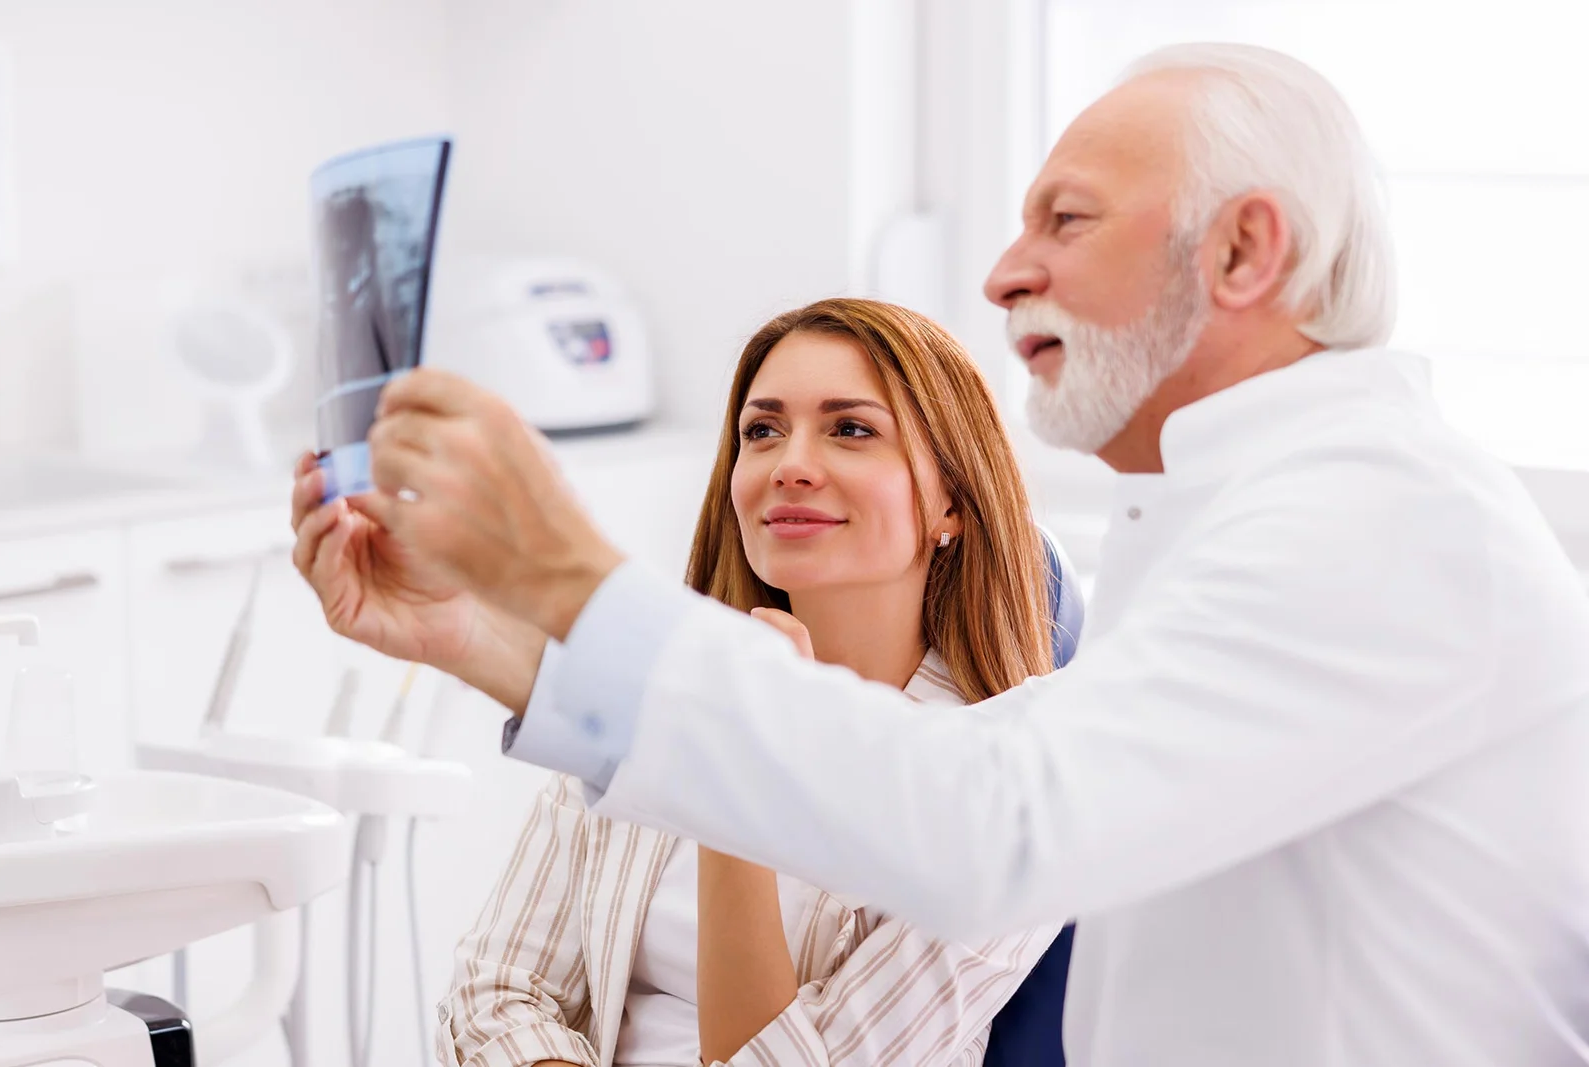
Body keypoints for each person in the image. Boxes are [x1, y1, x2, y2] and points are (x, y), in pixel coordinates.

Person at [292, 43, 1589, 1065]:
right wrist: (493, 639)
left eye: (1066, 221)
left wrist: (573, 580)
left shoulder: (1368, 521)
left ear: (1245, 249)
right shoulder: (1216, 522)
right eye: (764, 428)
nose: (1002, 270)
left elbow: (993, 825)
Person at [419, 298, 1064, 1067]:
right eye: (762, 430)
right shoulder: (653, 690)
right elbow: (494, 994)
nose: (790, 462)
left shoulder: (1007, 794)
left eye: (850, 428)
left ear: (952, 499)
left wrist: (735, 761)